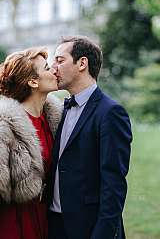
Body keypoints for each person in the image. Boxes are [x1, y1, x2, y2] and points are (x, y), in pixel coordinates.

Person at [0, 47, 63, 239]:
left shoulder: (55, 119)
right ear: (33, 81)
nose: (54, 69)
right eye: (46, 68)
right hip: (13, 225)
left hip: (48, 219)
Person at [48, 36, 133, 239]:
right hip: (55, 225)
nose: (53, 67)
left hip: (88, 227)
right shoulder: (62, 109)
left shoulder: (110, 113)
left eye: (60, 60)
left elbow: (114, 184)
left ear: (82, 63)